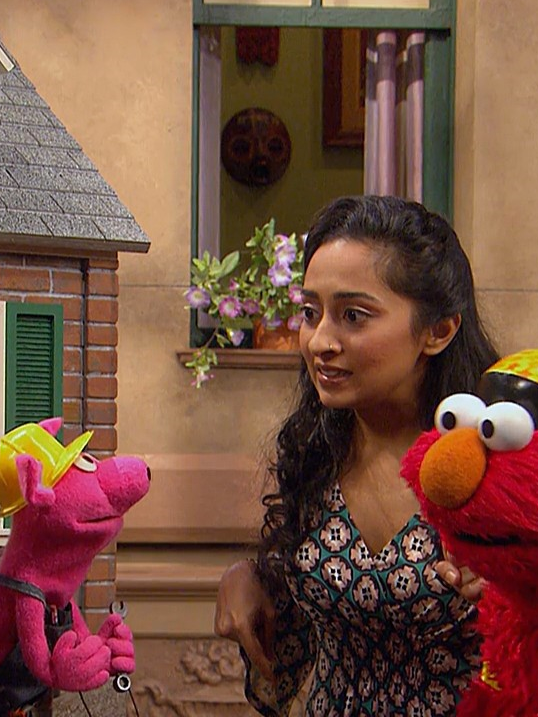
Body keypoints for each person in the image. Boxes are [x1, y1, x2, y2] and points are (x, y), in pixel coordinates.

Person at [214, 195, 499, 715]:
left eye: (353, 315)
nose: (319, 341)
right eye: (310, 313)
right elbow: (298, 618)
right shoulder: (317, 450)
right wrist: (245, 577)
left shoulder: (498, 463)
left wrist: (518, 590)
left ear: (438, 331)